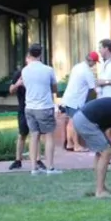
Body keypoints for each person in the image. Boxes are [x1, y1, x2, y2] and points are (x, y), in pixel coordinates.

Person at [20, 44, 63, 176]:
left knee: (34, 136)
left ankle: (33, 168)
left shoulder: (25, 70)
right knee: (49, 136)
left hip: (30, 107)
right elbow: (54, 88)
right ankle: (50, 167)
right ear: (40, 54)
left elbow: (26, 85)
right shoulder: (48, 70)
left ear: (29, 54)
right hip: (44, 106)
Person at [60, 51, 99, 152]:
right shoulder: (87, 71)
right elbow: (94, 88)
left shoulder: (77, 66)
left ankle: (69, 144)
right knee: (74, 123)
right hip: (76, 100)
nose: (95, 65)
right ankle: (77, 145)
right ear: (91, 61)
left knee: (70, 122)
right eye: (95, 62)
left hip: (68, 97)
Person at [8, 63, 29, 171]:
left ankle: (38, 160)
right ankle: (18, 160)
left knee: (37, 135)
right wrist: (18, 84)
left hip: (36, 107)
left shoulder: (38, 74)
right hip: (23, 108)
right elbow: (11, 90)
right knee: (22, 134)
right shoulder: (19, 74)